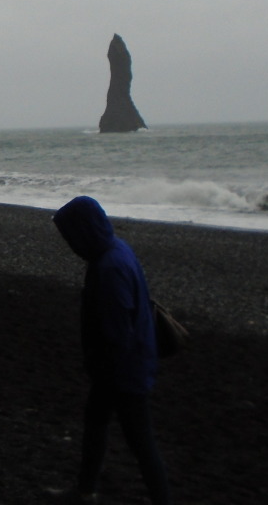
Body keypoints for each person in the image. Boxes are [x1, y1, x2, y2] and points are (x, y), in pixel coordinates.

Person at [50, 196, 170, 505]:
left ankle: (161, 499)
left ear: (83, 232)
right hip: (118, 365)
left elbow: (117, 332)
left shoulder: (109, 267)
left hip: (122, 369)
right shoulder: (116, 250)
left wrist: (105, 368)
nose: (69, 244)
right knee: (96, 425)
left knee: (141, 441)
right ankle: (85, 489)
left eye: (70, 236)